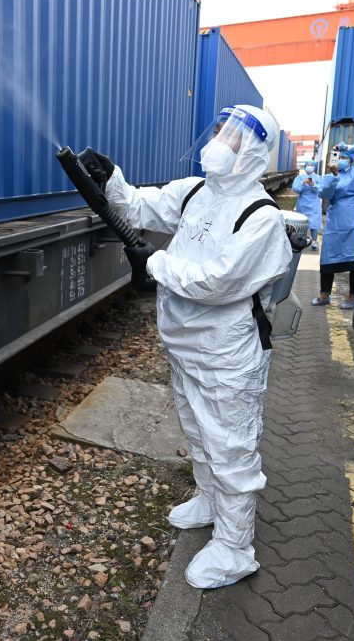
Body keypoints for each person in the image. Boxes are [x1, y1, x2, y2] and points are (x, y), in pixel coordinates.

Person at [75, 105, 292, 589]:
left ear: (254, 150)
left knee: (230, 444)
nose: (218, 139)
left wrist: (154, 264)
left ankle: (235, 547)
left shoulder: (261, 218)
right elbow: (136, 206)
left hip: (226, 354)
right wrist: (111, 180)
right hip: (184, 342)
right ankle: (209, 499)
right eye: (217, 129)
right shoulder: (197, 191)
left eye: (233, 135)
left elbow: (217, 282)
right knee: (196, 426)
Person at [312, 143, 354, 310]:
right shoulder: (330, 174)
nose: (341, 160)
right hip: (336, 220)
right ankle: (324, 295)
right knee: (328, 256)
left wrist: (349, 147)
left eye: (344, 157)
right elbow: (325, 194)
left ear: (350, 158)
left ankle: (353, 297)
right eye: (339, 156)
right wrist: (334, 176)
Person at [292, 160, 323, 251]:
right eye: (308, 165)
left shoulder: (318, 178)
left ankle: (314, 241)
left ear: (315, 167)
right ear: (305, 166)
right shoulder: (299, 178)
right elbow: (296, 189)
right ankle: (301, 239)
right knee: (302, 222)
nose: (310, 166)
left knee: (314, 223)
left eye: (311, 165)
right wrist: (303, 183)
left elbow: (321, 190)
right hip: (302, 203)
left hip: (314, 203)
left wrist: (313, 184)